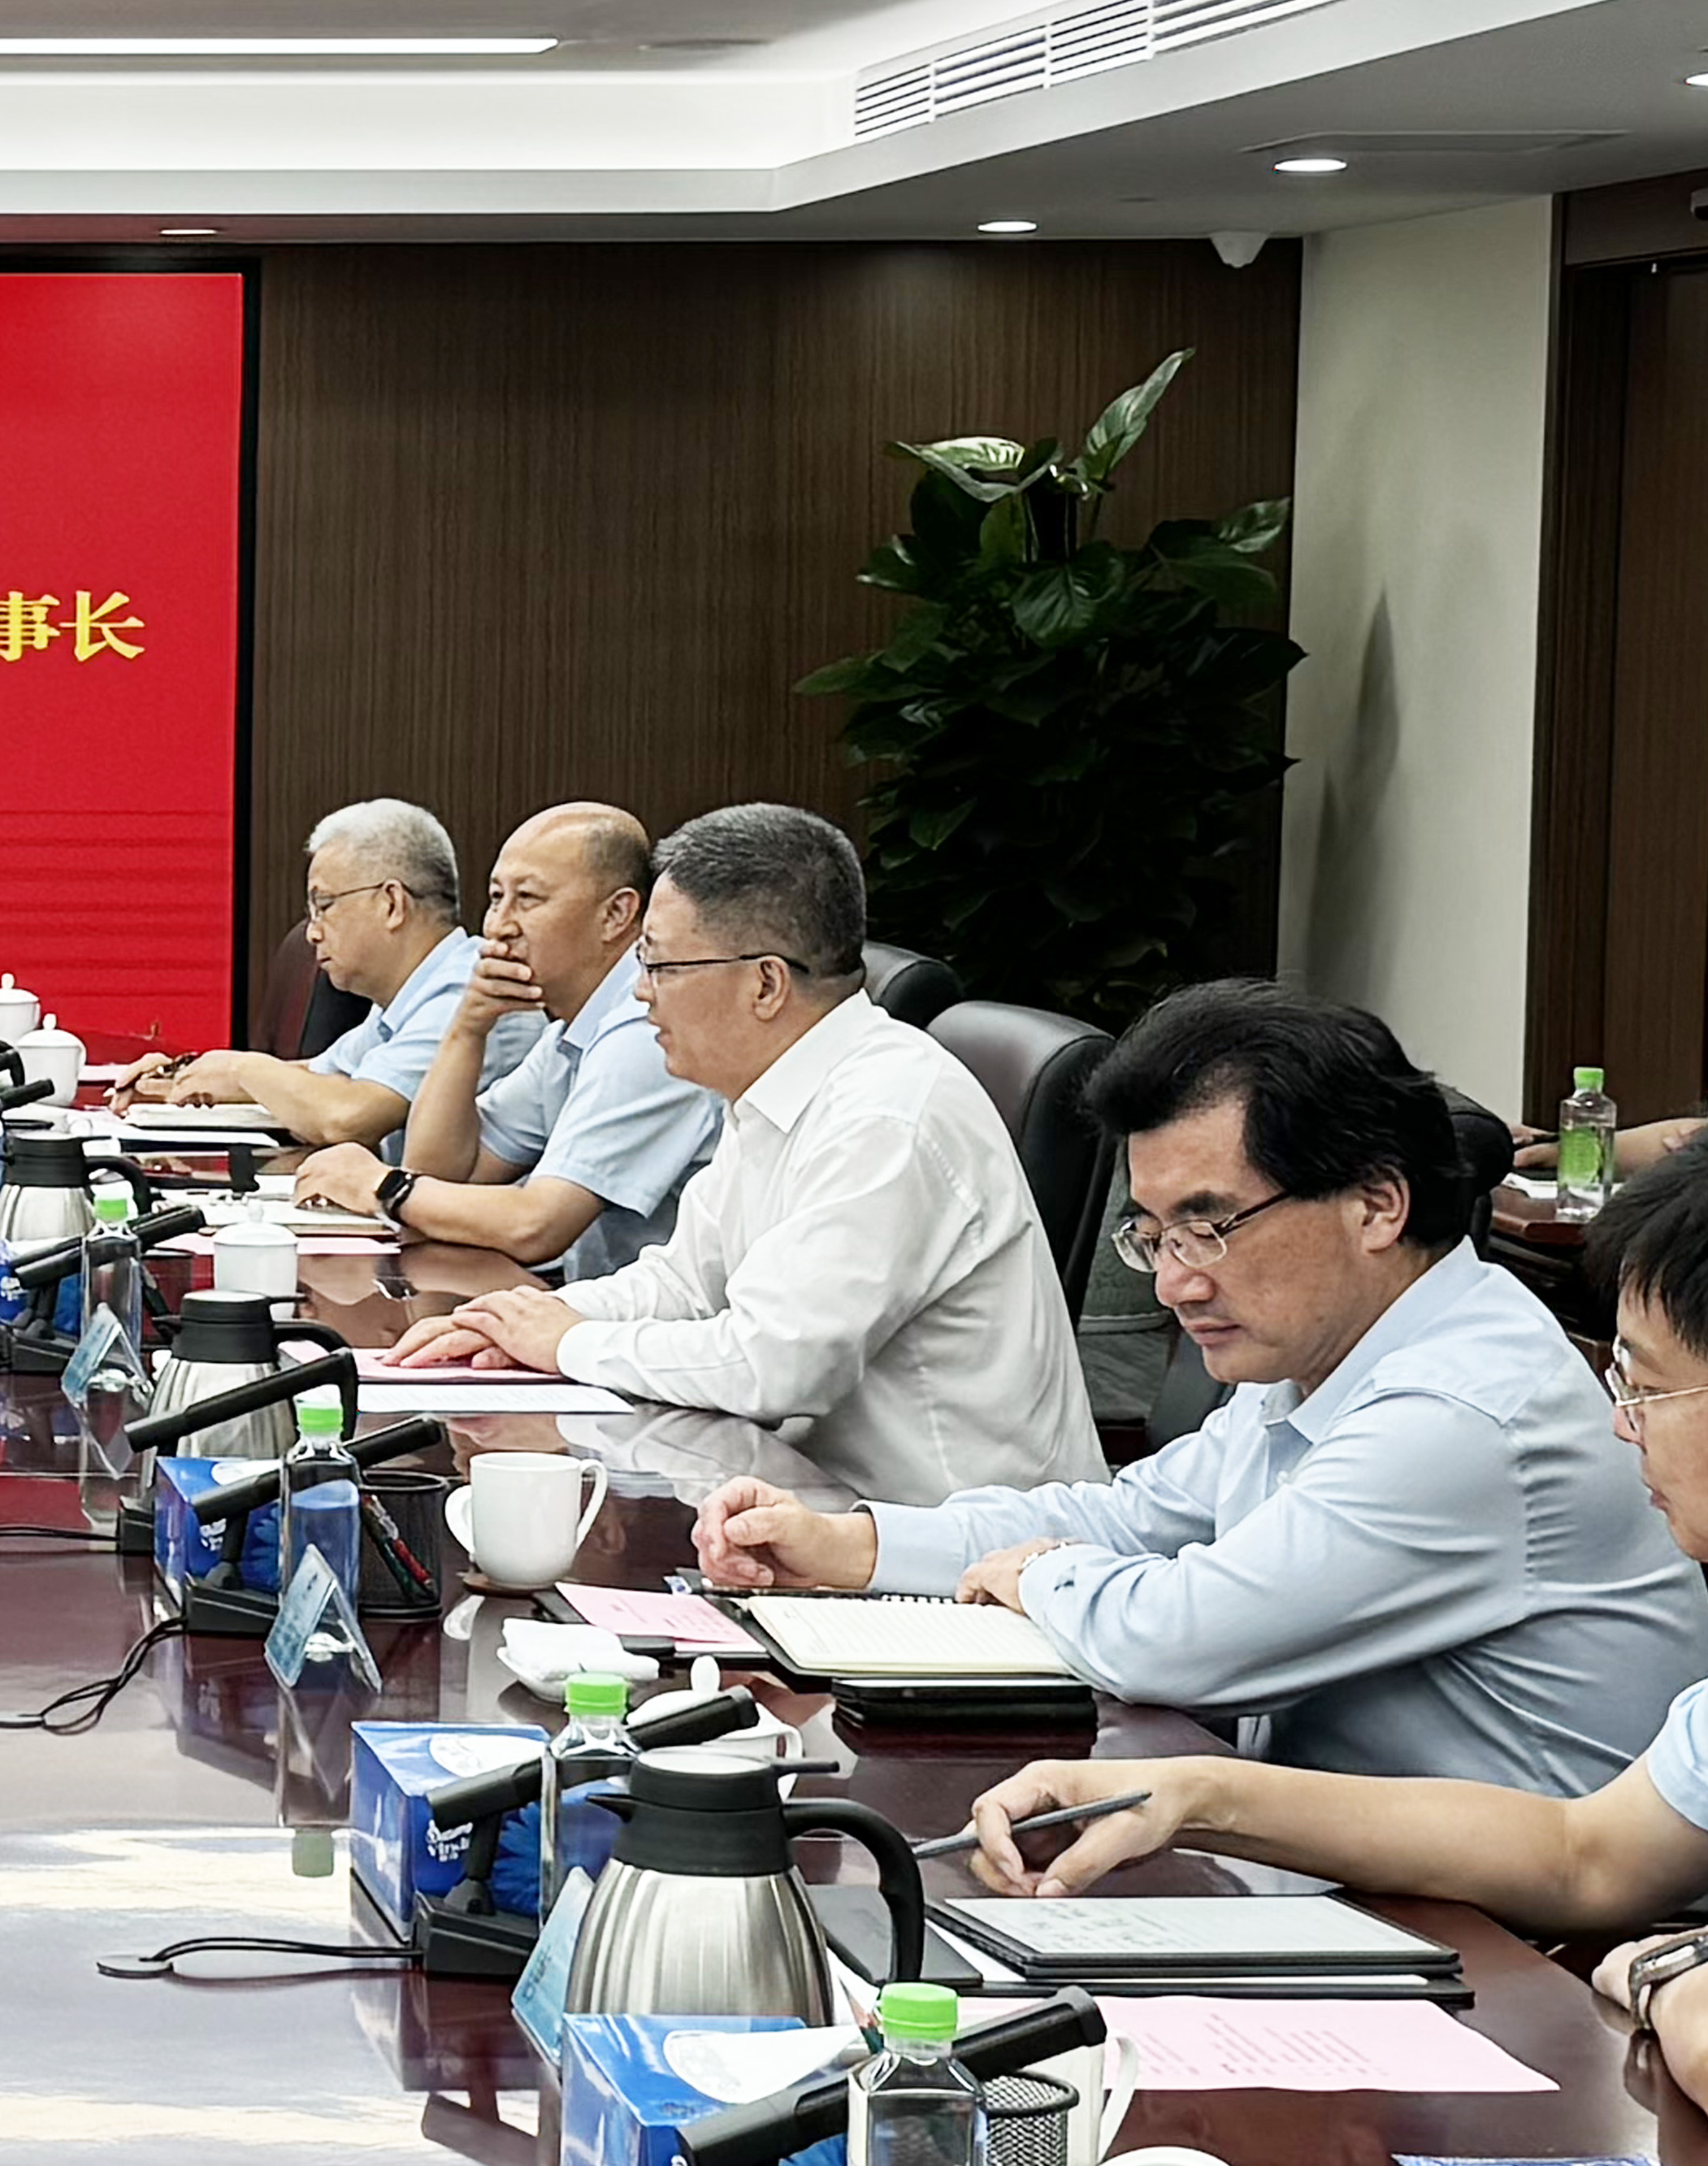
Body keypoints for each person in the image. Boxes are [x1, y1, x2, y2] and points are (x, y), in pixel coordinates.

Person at [700, 980, 1708, 1796]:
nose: (1175, 1283)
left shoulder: (1463, 1410)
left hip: (1520, 1946)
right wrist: (853, 1545)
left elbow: (1178, 1638)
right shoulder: (1330, 1345)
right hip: (1339, 1864)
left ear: (1376, 1206)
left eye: (1210, 1228)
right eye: (1154, 1236)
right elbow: (1131, 1517)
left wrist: (1042, 1573)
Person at [952, 1143, 1708, 2103]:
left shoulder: (1465, 1403)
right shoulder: (1307, 1360)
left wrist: (1667, 1980)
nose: (1621, 1426)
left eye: (1646, 1389)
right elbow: (1584, 1854)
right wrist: (1189, 1794)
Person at [387, 805, 1102, 1504]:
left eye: (660, 963)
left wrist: (568, 1342)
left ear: (765, 983)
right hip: (818, 1507)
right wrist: (512, 1324)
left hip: (964, 1545)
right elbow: (684, 1284)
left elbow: (774, 1365)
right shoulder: (773, 1088)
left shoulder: (885, 1113)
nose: (640, 991)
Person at [293, 801, 717, 1279]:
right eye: (496, 898)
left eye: (528, 899)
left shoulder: (647, 1029)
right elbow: (438, 1174)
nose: (498, 926)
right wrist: (467, 1029)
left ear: (616, 914)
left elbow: (537, 1227)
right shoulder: (567, 1035)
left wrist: (382, 1187)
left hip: (657, 1318)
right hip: (591, 1304)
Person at [127, 797, 538, 1152]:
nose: (312, 932)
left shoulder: (469, 988)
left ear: (392, 904)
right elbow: (321, 1076)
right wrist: (180, 1079)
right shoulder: (408, 993)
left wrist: (243, 1070)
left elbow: (349, 1116)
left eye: (324, 906)